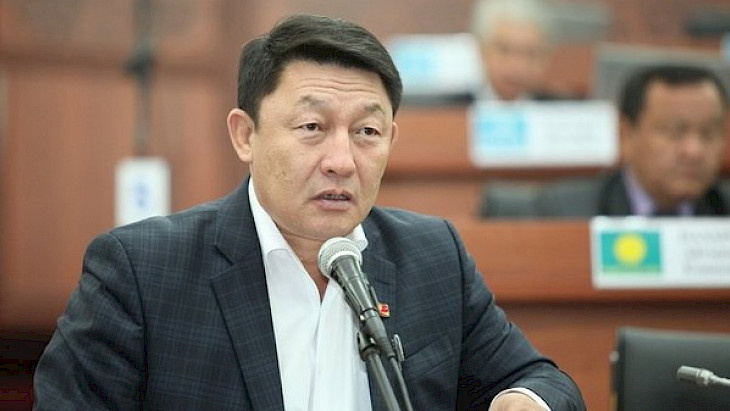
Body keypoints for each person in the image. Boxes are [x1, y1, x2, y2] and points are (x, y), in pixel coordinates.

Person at [33, 14, 585, 410]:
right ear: (245, 135)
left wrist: (525, 400)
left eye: (367, 132)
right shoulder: (141, 271)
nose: (342, 161)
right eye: (312, 127)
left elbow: (542, 379)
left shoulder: (434, 257)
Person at [528, 64, 729, 217]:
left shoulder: (722, 208)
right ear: (626, 135)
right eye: (674, 132)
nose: (694, 151)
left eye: (708, 134)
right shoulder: (565, 212)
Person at [470, 0, 556, 101]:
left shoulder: (557, 106)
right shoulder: (457, 105)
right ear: (482, 50)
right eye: (505, 50)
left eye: (531, 53)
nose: (518, 67)